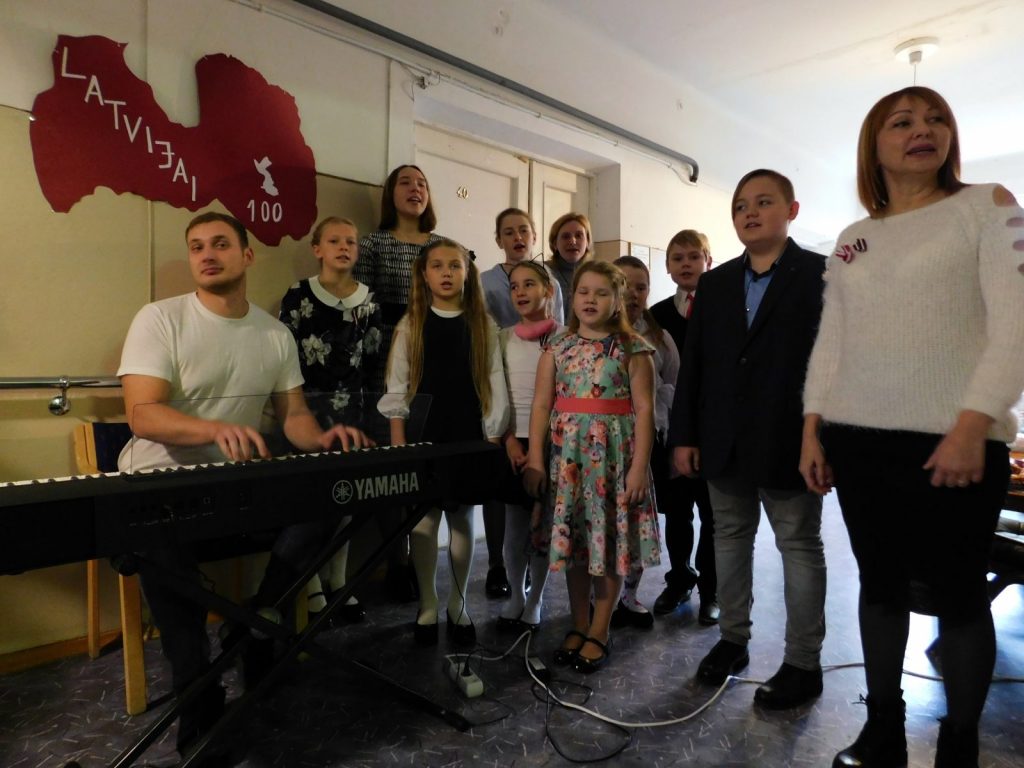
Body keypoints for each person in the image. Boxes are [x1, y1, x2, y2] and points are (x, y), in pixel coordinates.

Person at [800, 87, 1024, 768]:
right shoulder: (853, 239)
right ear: (875, 145)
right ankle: (884, 732)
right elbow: (832, 342)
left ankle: (958, 745)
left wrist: (973, 423)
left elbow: (1016, 320)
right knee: (880, 587)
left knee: (960, 597)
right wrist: (812, 427)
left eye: (936, 120)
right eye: (902, 122)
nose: (923, 130)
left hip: (955, 443)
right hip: (858, 441)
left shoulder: (987, 205)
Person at [117, 211, 371, 763]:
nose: (207, 254)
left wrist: (323, 439)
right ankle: (197, 692)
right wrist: (214, 430)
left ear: (247, 255)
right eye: (197, 247)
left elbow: (293, 416)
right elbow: (142, 414)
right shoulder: (159, 318)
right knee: (159, 551)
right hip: (160, 486)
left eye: (220, 244)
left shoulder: (274, 333)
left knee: (326, 501)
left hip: (234, 488)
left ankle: (259, 620)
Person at [669, 169, 827, 709]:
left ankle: (803, 662)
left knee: (798, 547)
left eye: (764, 202)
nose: (750, 213)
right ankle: (732, 641)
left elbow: (832, 365)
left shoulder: (821, 276)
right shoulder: (714, 284)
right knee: (730, 538)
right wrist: (685, 435)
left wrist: (823, 438)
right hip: (722, 440)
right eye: (741, 206)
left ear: (792, 210)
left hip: (791, 440)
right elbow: (694, 365)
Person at [525, 260, 660, 673]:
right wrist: (535, 459)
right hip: (568, 462)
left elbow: (645, 410)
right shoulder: (557, 347)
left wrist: (639, 468)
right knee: (577, 546)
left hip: (613, 465)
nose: (590, 299)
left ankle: (600, 628)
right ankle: (579, 623)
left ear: (618, 299)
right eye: (584, 291)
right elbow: (541, 405)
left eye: (602, 293)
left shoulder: (634, 348)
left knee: (608, 546)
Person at [378, 238, 509, 646]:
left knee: (462, 521)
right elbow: (397, 385)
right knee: (423, 523)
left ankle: (458, 601)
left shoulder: (483, 325)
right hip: (424, 437)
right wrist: (399, 443)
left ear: (467, 273)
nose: (446, 273)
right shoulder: (411, 324)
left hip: (467, 435)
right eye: (437, 265)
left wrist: (491, 435)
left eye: (454, 265)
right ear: (424, 274)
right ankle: (428, 603)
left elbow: (494, 382)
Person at [279, 216, 383, 625]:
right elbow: (284, 355)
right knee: (311, 501)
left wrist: (373, 416)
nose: (344, 247)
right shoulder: (298, 295)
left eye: (351, 241)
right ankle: (311, 585)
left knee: (346, 500)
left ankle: (338, 580)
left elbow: (373, 362)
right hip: (306, 414)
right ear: (317, 248)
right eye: (335, 240)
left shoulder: (370, 300)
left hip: (353, 413)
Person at [354, 164, 444, 601]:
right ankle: (397, 560)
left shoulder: (443, 246)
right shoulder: (373, 244)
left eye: (422, 183)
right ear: (390, 193)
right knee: (391, 466)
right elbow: (363, 304)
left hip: (436, 357)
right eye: (406, 182)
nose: (415, 189)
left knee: (428, 460)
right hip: (384, 360)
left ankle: (426, 555)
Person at [648, 231, 718, 624]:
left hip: (712, 431)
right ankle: (679, 580)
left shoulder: (723, 307)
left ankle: (712, 589)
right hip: (673, 432)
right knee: (677, 513)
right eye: (678, 258)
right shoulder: (656, 316)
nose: (686, 264)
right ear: (668, 266)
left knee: (713, 515)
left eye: (694, 256)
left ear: (709, 261)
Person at [608, 255, 678, 630]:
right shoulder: (594, 335)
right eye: (625, 285)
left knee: (634, 522)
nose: (633, 294)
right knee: (603, 522)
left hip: (645, 445)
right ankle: (599, 597)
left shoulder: (658, 338)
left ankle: (629, 595)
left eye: (641, 287)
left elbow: (673, 382)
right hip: (603, 449)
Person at [494, 261, 562, 632]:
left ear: (548, 291)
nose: (520, 292)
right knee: (515, 527)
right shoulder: (502, 338)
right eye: (514, 286)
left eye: (529, 284)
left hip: (553, 444)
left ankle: (536, 598)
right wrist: (508, 440)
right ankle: (516, 595)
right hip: (513, 441)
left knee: (542, 529)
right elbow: (494, 394)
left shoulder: (565, 338)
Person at [482, 207, 566, 327]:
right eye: (509, 233)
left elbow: (558, 329)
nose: (518, 237)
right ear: (499, 241)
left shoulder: (550, 282)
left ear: (534, 237)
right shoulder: (485, 282)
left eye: (523, 231)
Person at [544, 212, 593, 321]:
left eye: (579, 236)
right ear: (554, 243)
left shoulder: (597, 275)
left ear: (587, 242)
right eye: (566, 236)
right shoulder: (541, 272)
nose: (572, 241)